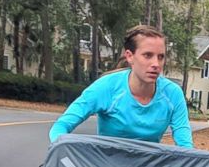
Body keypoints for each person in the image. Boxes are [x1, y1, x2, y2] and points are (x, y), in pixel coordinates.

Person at [49, 25, 194, 148]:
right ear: (130, 56)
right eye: (148, 55)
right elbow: (60, 127)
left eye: (161, 57)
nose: (156, 64)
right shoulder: (105, 87)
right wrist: (65, 152)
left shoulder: (173, 94)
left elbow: (186, 147)